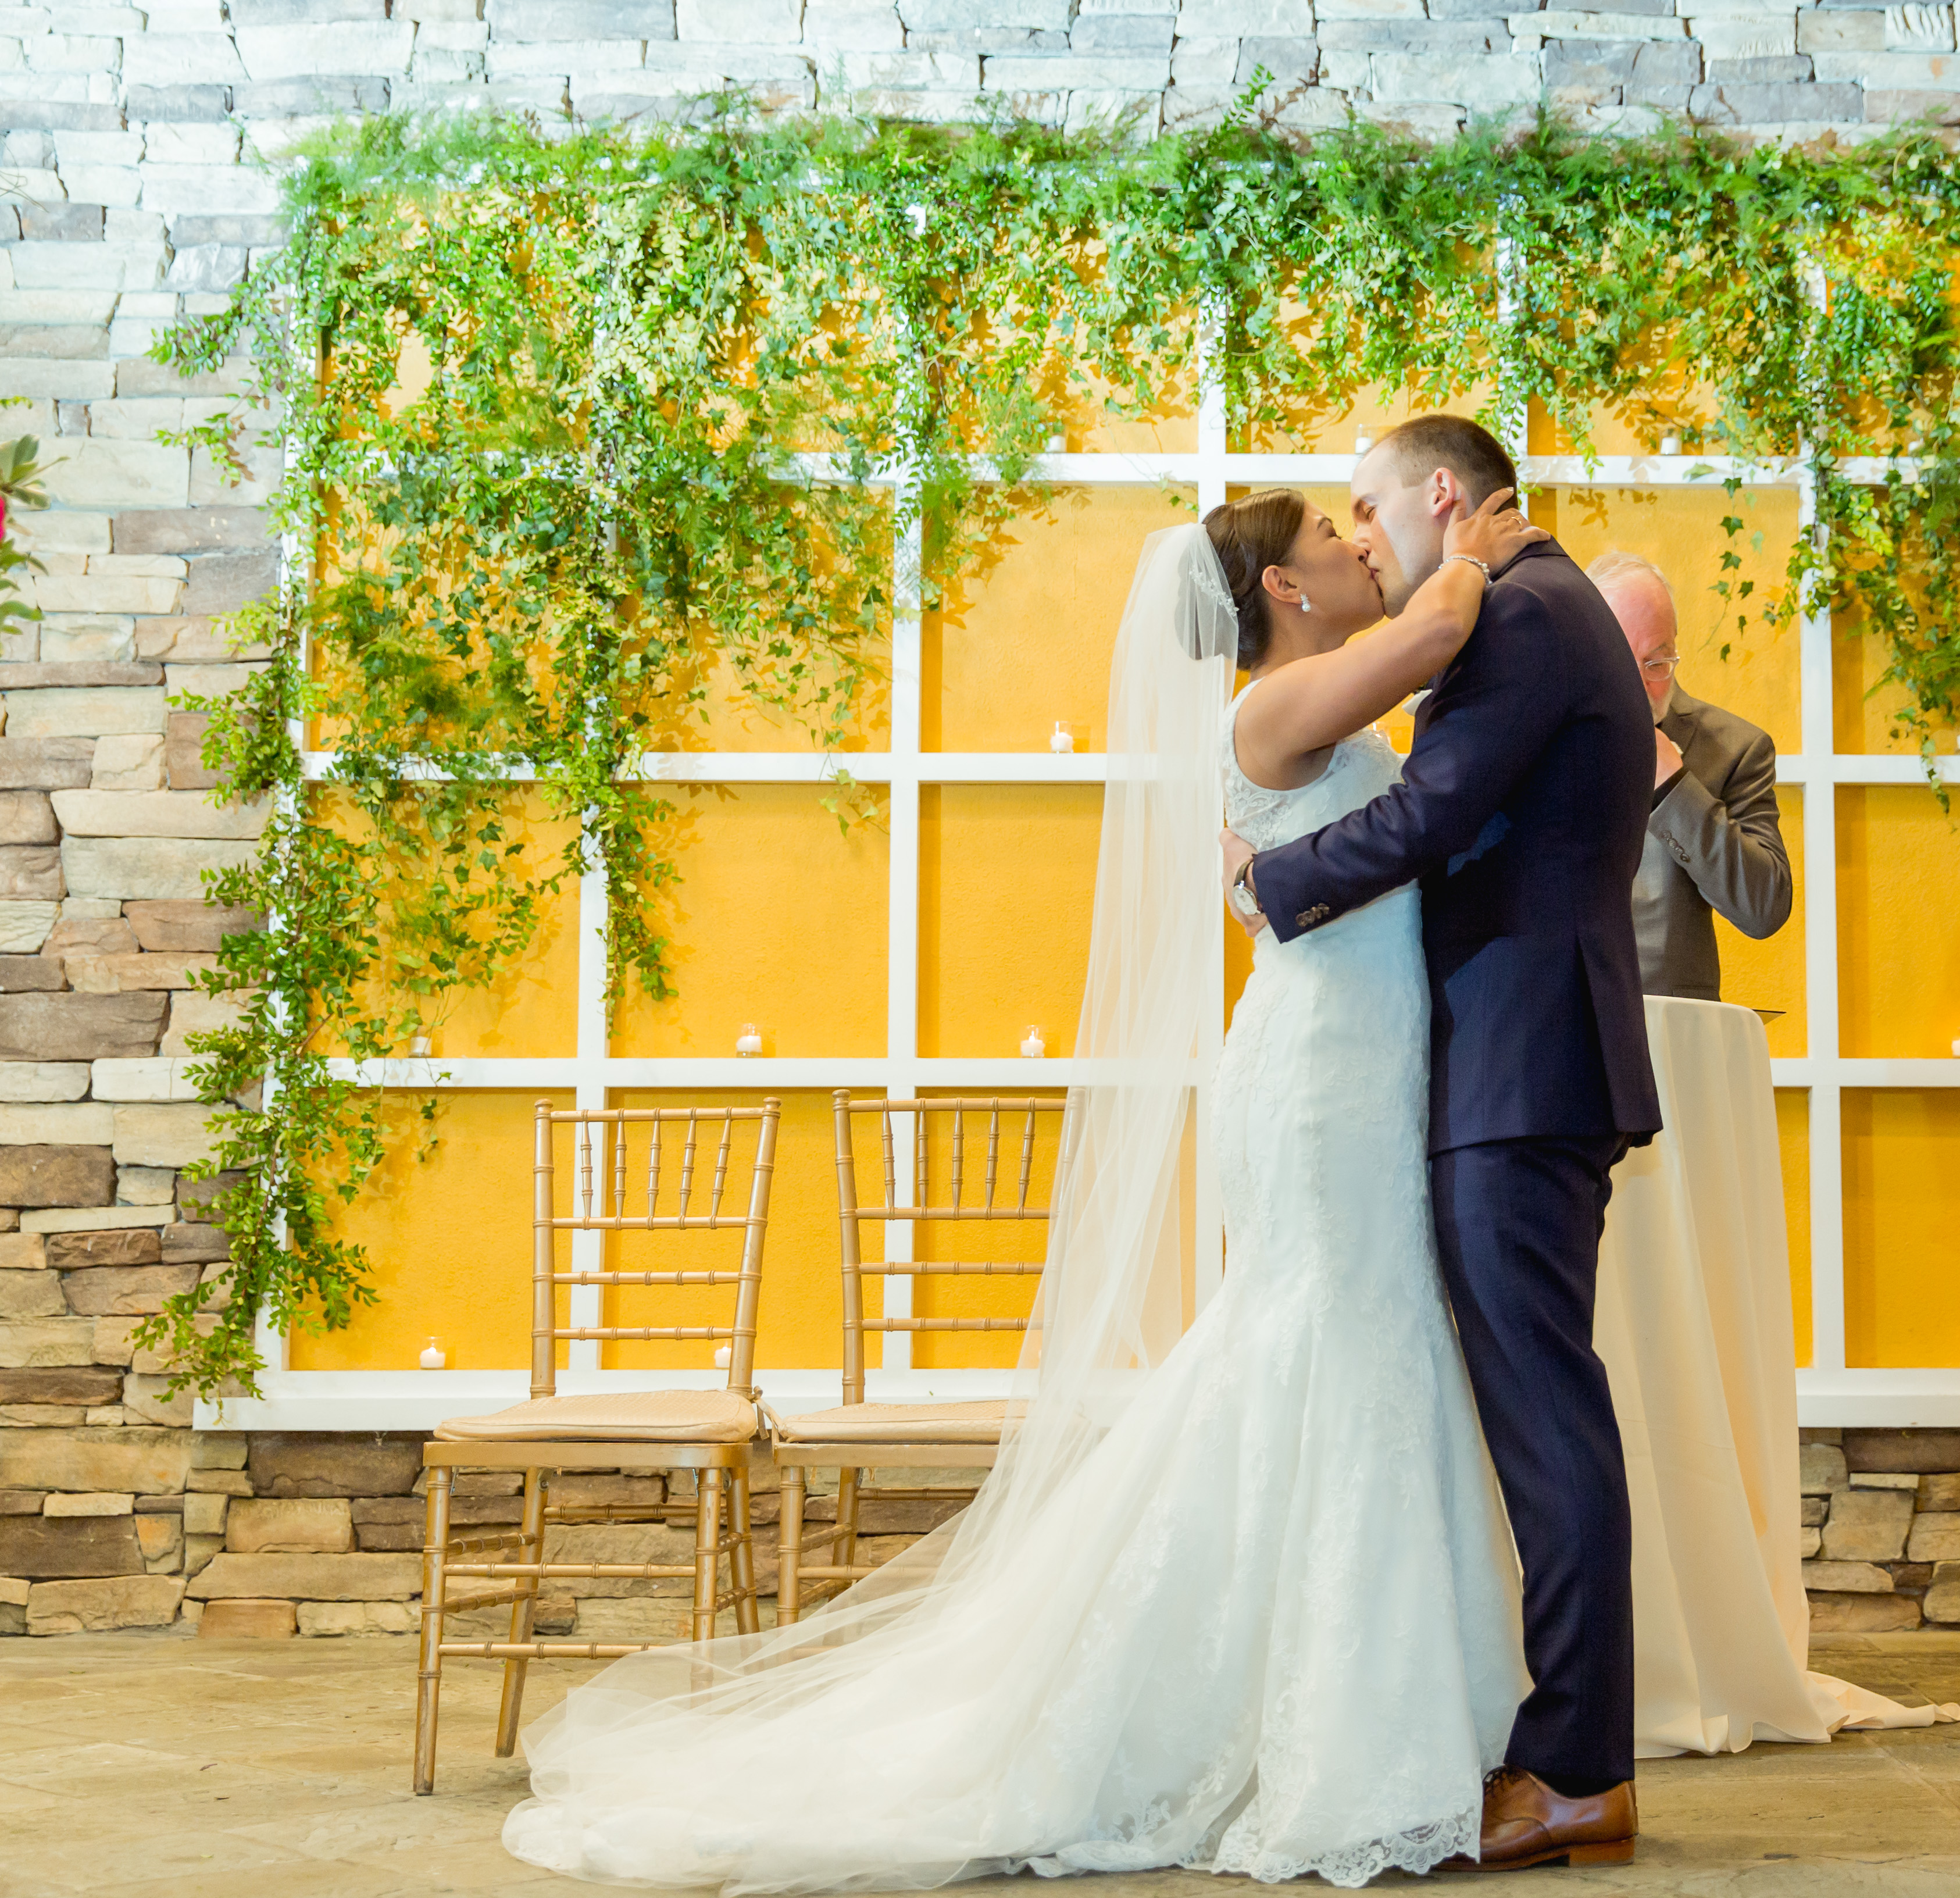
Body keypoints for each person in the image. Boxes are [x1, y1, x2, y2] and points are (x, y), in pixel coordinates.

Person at [495, 480, 1559, 1890]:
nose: (1362, 548)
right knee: (1332, 1349)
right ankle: (1317, 1735)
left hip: (1359, 1067)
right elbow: (1431, 636)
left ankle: (1368, 1707)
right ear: (1285, 595)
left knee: (1341, 1355)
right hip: (1318, 1087)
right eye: (1330, 542)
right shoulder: (1264, 713)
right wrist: (1478, 554)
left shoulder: (1313, 711)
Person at [1226, 415, 1661, 1872]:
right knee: (1543, 1417)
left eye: (1369, 506)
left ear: (1439, 495)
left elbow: (1432, 809)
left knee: (1546, 1423)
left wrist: (1269, 885)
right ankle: (1561, 1747)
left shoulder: (1521, 613)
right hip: (1512, 1063)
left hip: (1522, 1070)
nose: (1360, 536)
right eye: (1331, 526)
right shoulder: (1531, 604)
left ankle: (1579, 1768)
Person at [1587, 551, 1792, 1001]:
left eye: (1657, 664)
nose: (1638, 685)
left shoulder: (1737, 748)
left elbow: (1763, 909)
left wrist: (1673, 784)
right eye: (1619, 659)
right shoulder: (1531, 733)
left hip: (1671, 1039)